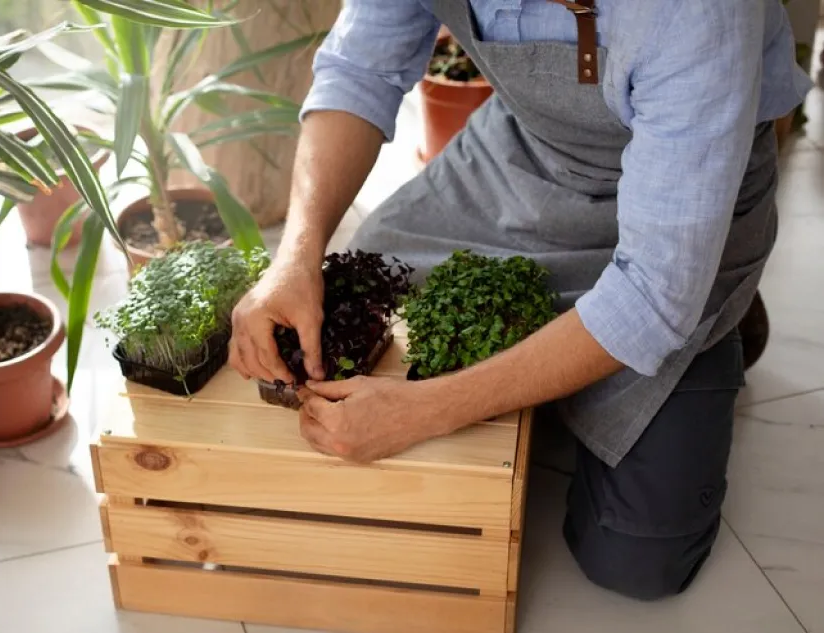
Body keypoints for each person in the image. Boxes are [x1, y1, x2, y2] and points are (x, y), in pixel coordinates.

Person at [229, 0, 812, 600]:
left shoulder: (699, 11)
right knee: (374, 287)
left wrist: (423, 410)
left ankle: (721, 315)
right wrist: (295, 256)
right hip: (527, 161)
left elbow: (653, 293)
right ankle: (571, 360)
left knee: (638, 560)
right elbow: (360, 72)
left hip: (689, 205)